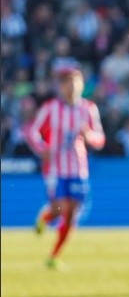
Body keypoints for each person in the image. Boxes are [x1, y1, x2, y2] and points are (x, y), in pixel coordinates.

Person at [25, 62, 106, 269]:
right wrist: (42, 149)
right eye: (66, 82)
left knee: (70, 214)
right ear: (60, 86)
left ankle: (53, 256)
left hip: (78, 168)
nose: (71, 86)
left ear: (81, 84)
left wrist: (90, 136)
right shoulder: (51, 108)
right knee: (61, 208)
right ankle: (46, 215)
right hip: (55, 168)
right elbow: (32, 132)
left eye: (75, 81)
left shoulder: (89, 109)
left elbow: (100, 139)